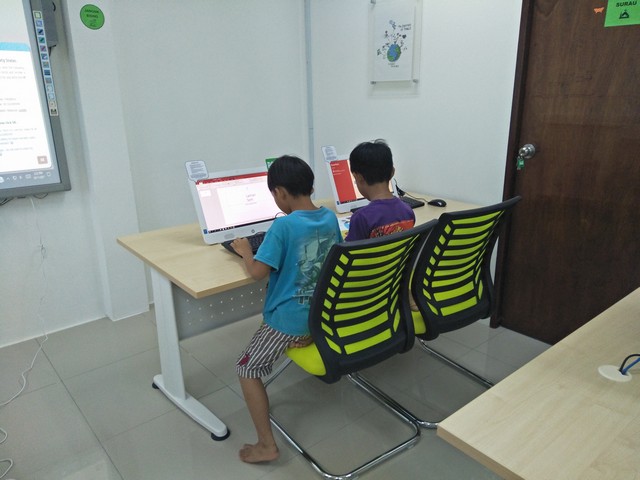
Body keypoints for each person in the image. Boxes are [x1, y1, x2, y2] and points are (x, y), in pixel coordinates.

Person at [230, 155, 342, 464]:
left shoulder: (282, 226)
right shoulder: (329, 217)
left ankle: (266, 445)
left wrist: (244, 251)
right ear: (310, 186)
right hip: (320, 315)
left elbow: (257, 273)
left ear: (279, 192)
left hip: (289, 320)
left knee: (246, 369)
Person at [345, 139, 415, 241]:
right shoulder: (407, 210)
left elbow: (349, 250)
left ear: (358, 177)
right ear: (392, 172)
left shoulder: (361, 218)